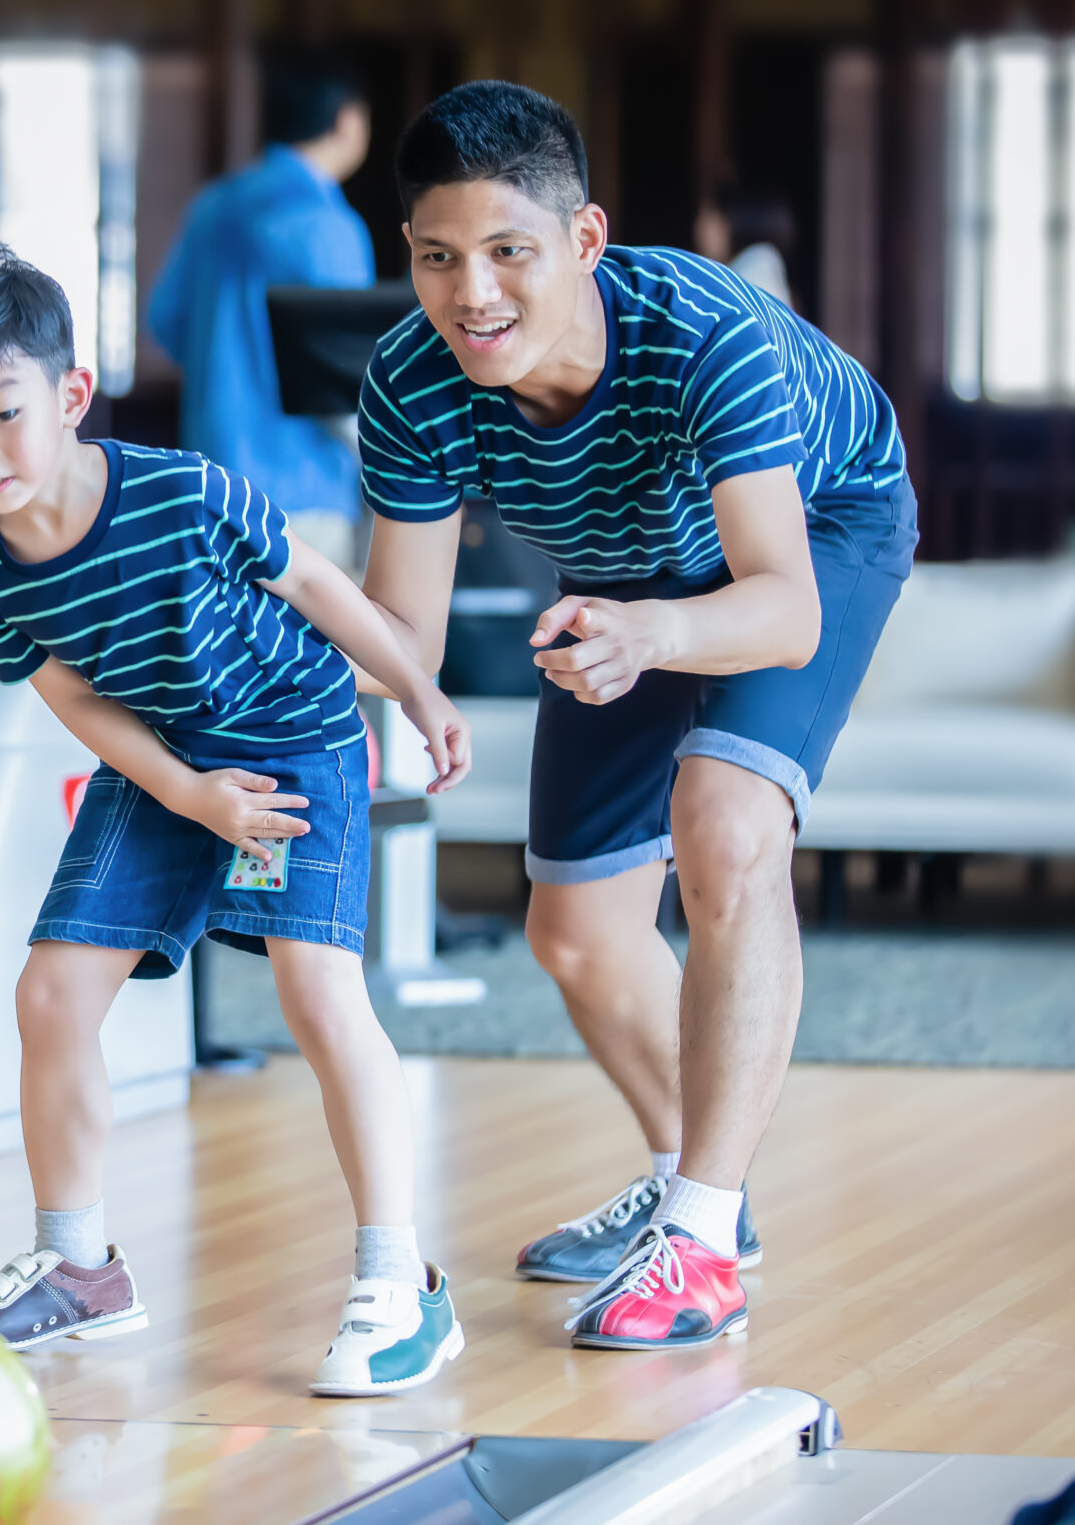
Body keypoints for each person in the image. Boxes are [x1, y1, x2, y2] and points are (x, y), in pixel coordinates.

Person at [352, 81, 916, 1350]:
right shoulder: (411, 382)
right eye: (439, 259)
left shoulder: (707, 333)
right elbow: (405, 635)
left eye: (510, 253)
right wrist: (260, 676)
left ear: (586, 241)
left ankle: (702, 1244)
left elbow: (780, 612)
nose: (474, 295)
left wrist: (653, 636)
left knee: (723, 829)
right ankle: (686, 1187)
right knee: (573, 932)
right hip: (630, 576)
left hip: (815, 537)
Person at [0, 245, 475, 1396]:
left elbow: (316, 586)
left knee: (316, 994)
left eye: (4, 414)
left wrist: (416, 688)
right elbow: (65, 687)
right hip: (162, 761)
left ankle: (403, 1284)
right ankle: (79, 1271)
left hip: (290, 744)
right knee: (51, 994)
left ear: (69, 397)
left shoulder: (180, 492)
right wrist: (178, 789)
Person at [146, 49, 375, 538]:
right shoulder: (329, 225)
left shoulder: (213, 205)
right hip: (304, 489)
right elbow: (342, 377)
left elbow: (165, 319)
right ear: (347, 119)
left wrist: (229, 373)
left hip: (211, 482)